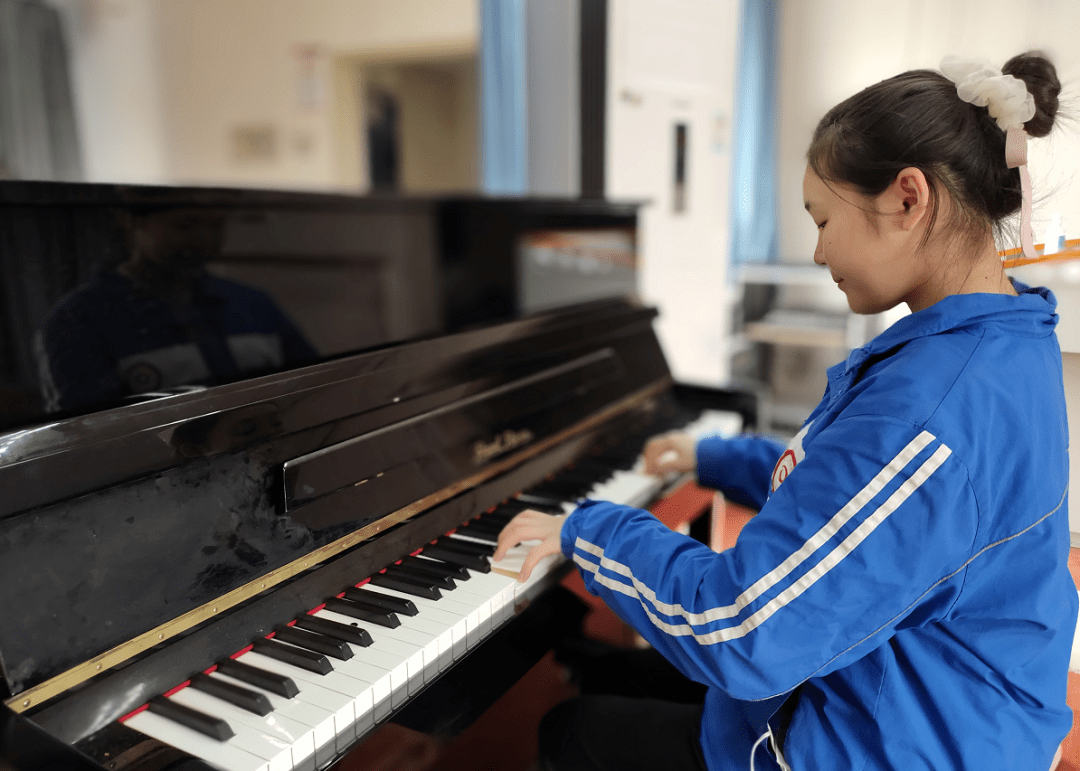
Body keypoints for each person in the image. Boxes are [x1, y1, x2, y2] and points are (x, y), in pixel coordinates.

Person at [494, 52, 1074, 771]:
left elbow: (739, 631)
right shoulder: (1003, 338)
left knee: (573, 731)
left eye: (824, 218)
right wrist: (715, 458)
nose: (818, 247)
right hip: (955, 699)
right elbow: (855, 497)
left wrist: (588, 529)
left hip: (908, 741)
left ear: (907, 198)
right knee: (626, 672)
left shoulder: (933, 407)